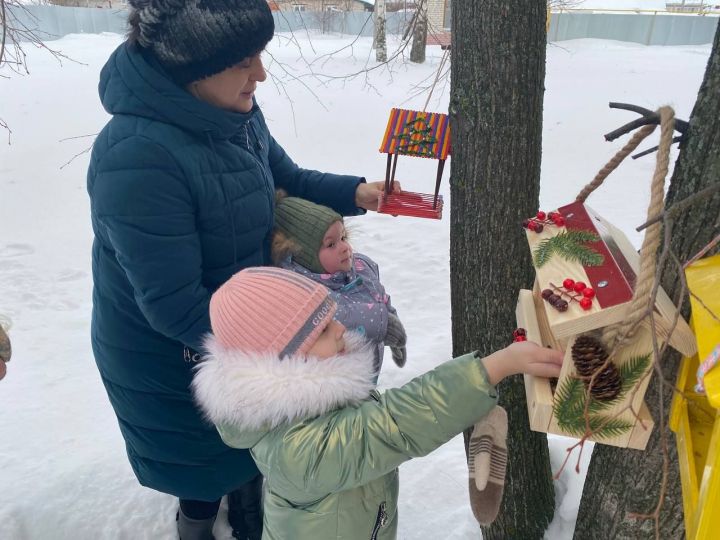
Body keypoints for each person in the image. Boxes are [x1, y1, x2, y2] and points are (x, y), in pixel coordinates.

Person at [86, 1, 394, 538]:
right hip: (175, 352)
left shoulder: (236, 114)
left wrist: (355, 191)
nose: (261, 73)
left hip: (247, 329)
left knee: (252, 446)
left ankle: (249, 501)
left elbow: (286, 177)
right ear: (194, 67)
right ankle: (197, 518)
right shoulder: (135, 157)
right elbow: (173, 304)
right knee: (202, 457)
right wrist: (289, 340)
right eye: (244, 60)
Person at [191, 267, 563, 540]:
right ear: (285, 360)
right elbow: (391, 426)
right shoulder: (295, 449)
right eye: (323, 330)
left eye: (332, 317)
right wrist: (492, 369)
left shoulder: (310, 398)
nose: (341, 329)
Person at [272, 195, 407, 378]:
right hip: (335, 387)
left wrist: (394, 324)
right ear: (304, 255)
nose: (344, 247)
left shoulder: (362, 266)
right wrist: (383, 325)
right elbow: (336, 313)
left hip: (369, 373)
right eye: (331, 244)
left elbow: (380, 297)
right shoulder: (303, 289)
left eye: (343, 237)